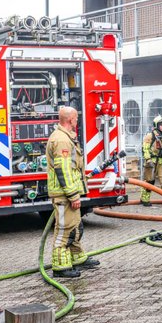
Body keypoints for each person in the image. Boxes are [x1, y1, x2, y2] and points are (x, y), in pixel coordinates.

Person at [46, 106, 99, 279]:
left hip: (69, 192)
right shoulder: (61, 140)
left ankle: (77, 258)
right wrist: (73, 195)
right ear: (70, 120)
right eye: (76, 118)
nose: (77, 121)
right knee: (64, 229)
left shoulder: (66, 137)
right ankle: (60, 267)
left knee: (75, 227)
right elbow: (64, 170)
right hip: (64, 195)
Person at [141, 115, 162, 206]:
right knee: (149, 181)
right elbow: (145, 149)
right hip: (152, 162)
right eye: (161, 124)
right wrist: (148, 159)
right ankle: (145, 200)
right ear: (156, 125)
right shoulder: (150, 135)